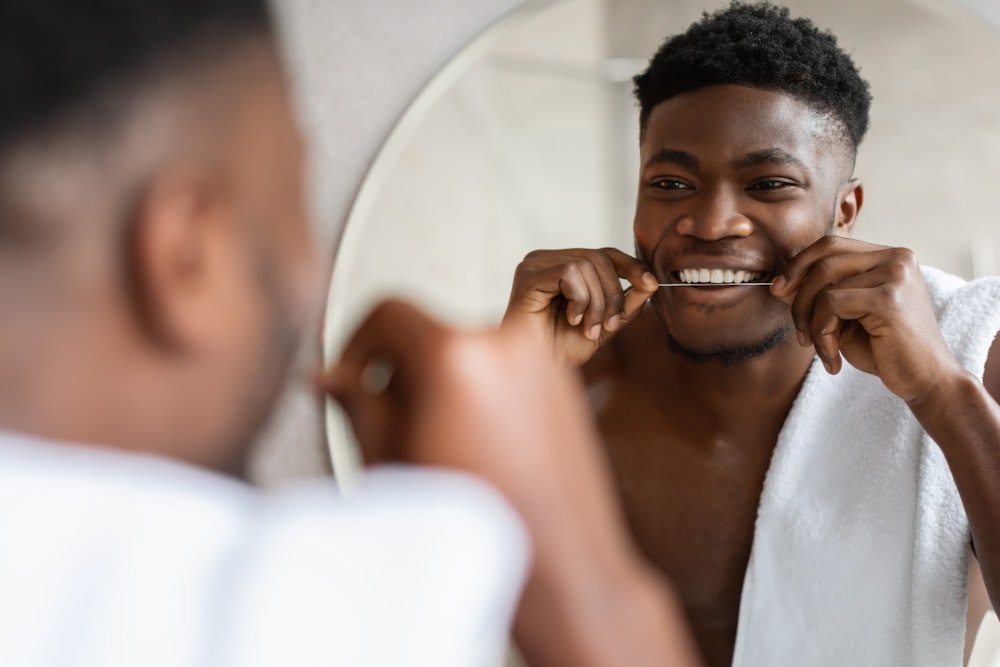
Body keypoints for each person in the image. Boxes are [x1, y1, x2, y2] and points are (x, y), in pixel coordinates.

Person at [0, 1, 703, 666]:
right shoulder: (280, 618)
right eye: (295, 199)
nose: (313, 270)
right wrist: (584, 581)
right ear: (190, 255)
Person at [502, 3, 1000, 667]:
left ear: (845, 210)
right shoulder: (577, 373)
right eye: (670, 182)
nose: (711, 223)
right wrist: (508, 384)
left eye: (769, 184)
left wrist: (941, 390)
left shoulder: (969, 348)